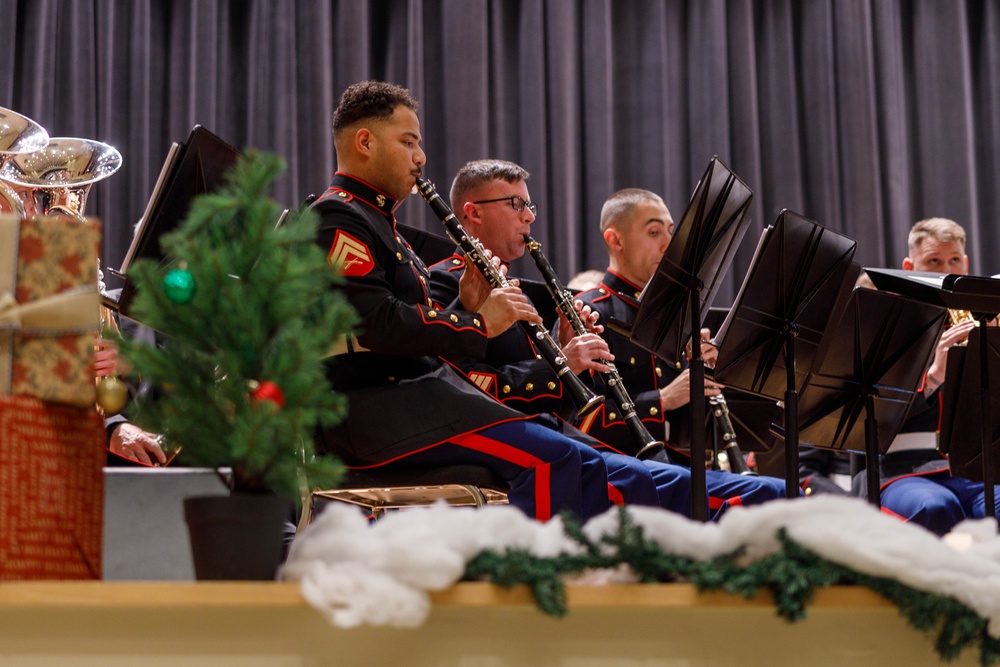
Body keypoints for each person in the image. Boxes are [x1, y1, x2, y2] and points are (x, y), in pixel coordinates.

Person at [310, 81, 624, 523]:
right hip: (374, 416)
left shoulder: (382, 225)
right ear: (365, 141)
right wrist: (482, 324)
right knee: (557, 460)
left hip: (414, 405)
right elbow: (377, 324)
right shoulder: (338, 216)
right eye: (408, 142)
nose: (420, 157)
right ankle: (527, 584)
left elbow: (415, 333)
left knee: (576, 452)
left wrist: (466, 307)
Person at [430, 162, 786, 515]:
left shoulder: (517, 292)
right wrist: (566, 366)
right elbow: (466, 384)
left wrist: (564, 358)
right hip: (498, 439)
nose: (529, 218)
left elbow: (552, 403)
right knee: (640, 479)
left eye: (530, 206)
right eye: (516, 205)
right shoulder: (446, 282)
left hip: (553, 437)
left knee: (770, 492)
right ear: (473, 213)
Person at [567, 187, 788, 504]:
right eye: (654, 231)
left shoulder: (680, 317)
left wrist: (710, 369)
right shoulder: (589, 311)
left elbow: (694, 427)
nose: (669, 245)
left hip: (676, 465)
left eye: (672, 232)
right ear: (615, 240)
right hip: (622, 467)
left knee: (778, 491)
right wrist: (664, 399)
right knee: (765, 495)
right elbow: (580, 418)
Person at [860, 217, 995, 534]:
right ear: (909, 266)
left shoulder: (987, 319)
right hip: (903, 469)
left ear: (966, 264)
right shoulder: (884, 325)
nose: (946, 271)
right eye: (934, 261)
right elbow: (872, 414)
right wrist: (934, 376)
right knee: (934, 508)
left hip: (975, 468)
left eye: (954, 261)